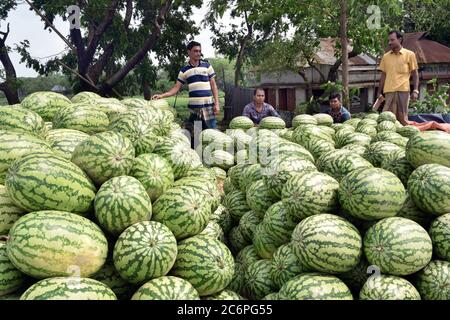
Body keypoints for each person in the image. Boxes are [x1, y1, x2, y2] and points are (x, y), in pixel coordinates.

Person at [152, 41, 220, 130]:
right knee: (196, 137)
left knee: (211, 134)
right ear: (189, 52)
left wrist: (217, 104)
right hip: (194, 108)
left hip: (208, 107)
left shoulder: (207, 66)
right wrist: (162, 95)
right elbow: (176, 88)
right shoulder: (184, 71)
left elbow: (213, 85)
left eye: (199, 51)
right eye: (195, 51)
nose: (198, 53)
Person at [377, 30, 419, 125]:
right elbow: (383, 75)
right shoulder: (385, 57)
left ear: (400, 39)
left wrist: (415, 90)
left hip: (403, 91)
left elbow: (415, 74)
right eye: (389, 40)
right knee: (387, 120)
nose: (389, 42)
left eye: (392, 40)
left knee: (403, 120)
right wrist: (379, 92)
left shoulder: (410, 54)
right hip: (389, 91)